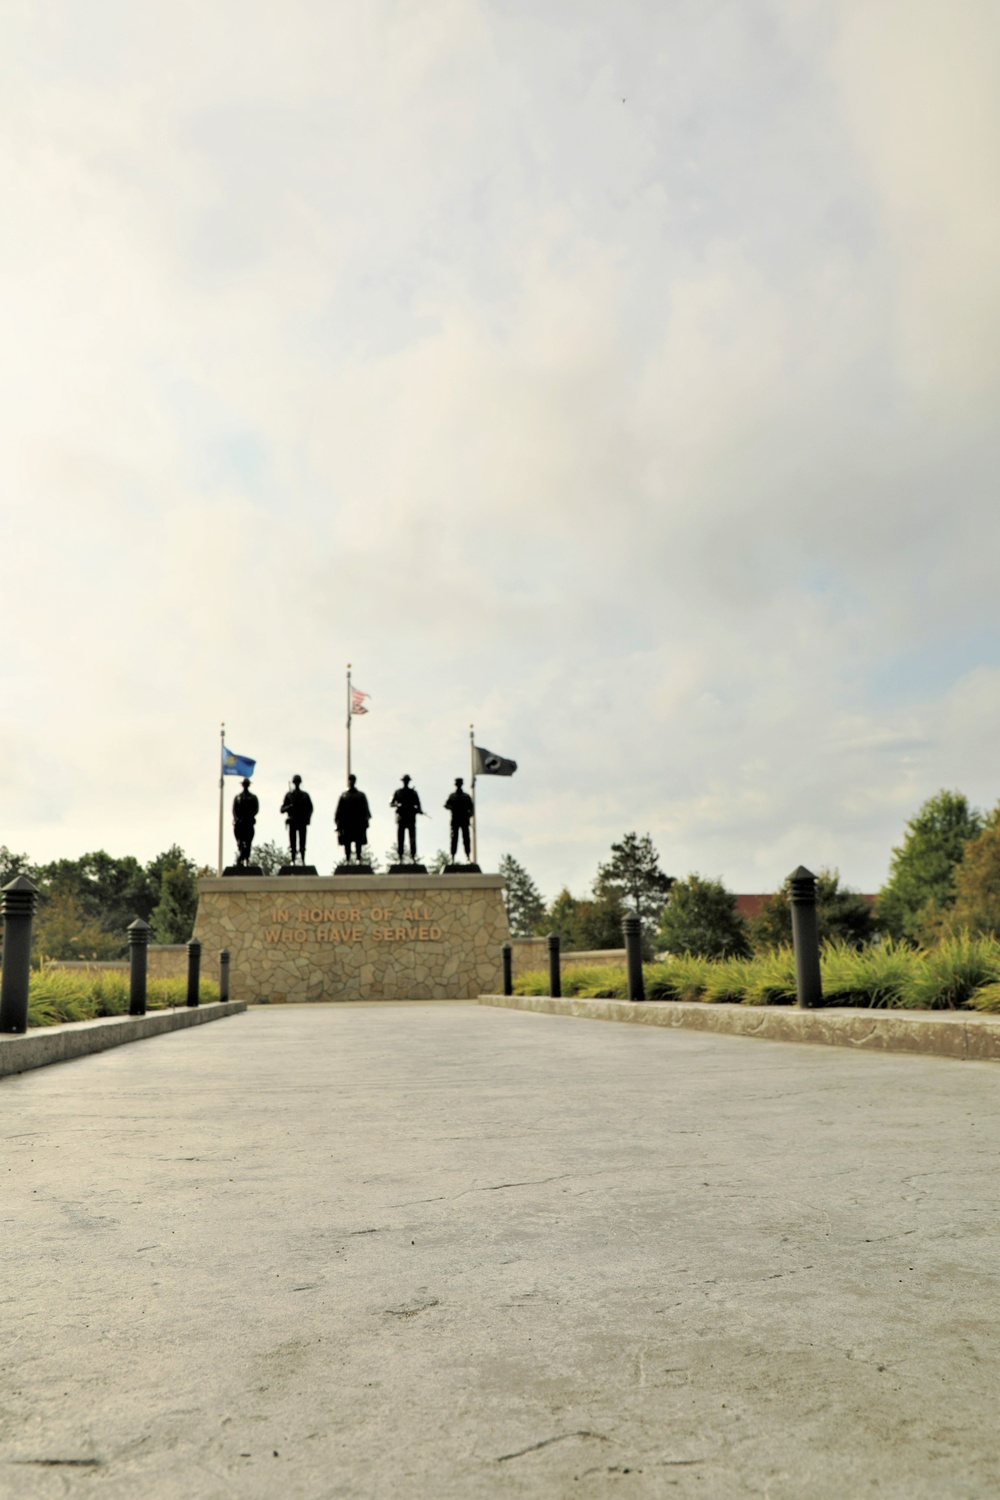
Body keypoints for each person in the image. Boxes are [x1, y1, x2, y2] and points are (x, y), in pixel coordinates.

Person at [335, 774, 371, 863]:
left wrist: (365, 821)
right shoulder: (343, 795)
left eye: (352, 780)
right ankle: (347, 859)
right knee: (347, 842)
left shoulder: (361, 795)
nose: (351, 781)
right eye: (350, 780)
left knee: (358, 842)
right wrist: (338, 823)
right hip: (347, 823)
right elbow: (339, 811)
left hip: (357, 822)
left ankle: (358, 858)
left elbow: (366, 810)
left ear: (355, 781)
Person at [280, 775, 314, 864]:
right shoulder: (289, 795)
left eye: (298, 782)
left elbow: (310, 808)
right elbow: (282, 809)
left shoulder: (305, 795)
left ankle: (303, 860)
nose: (297, 784)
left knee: (302, 842)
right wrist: (289, 807)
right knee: (292, 842)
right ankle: (293, 860)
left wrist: (307, 818)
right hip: (292, 820)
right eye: (295, 782)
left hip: (302, 821)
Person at [390, 775, 423, 861]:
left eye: (407, 780)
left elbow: (418, 804)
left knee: (412, 839)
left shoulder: (413, 793)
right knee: (400, 839)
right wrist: (397, 804)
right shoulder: (397, 792)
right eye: (405, 780)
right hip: (401, 818)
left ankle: (413, 857)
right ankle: (400, 857)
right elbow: (391, 803)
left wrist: (418, 810)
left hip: (411, 818)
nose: (406, 782)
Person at [445, 776, 475, 861]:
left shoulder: (466, 796)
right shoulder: (452, 796)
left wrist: (468, 816)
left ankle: (468, 856)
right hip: (455, 820)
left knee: (466, 839)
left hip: (464, 820)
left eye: (459, 784)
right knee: (454, 839)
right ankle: (453, 857)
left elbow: (471, 809)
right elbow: (446, 805)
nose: (458, 785)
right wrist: (451, 808)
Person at [232, 777, 259, 867]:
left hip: (248, 823)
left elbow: (256, 809)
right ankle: (240, 859)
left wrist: (250, 817)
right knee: (240, 843)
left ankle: (246, 860)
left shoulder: (253, 797)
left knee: (248, 843)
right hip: (239, 824)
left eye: (247, 784)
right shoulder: (238, 797)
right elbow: (234, 810)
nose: (245, 786)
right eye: (244, 784)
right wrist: (237, 819)